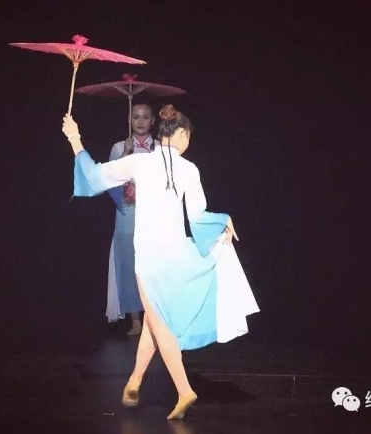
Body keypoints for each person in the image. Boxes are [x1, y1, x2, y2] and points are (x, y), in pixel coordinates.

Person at [63, 104, 259, 420]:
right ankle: (134, 382)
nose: (188, 141)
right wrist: (222, 220)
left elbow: (94, 175)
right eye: (188, 136)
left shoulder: (140, 163)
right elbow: (197, 216)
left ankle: (184, 389)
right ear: (180, 134)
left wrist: (74, 137)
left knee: (158, 321)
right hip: (177, 253)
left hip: (151, 256)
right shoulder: (189, 169)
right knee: (154, 323)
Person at [105, 103, 159, 336]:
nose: (140, 121)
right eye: (136, 117)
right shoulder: (120, 146)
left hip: (153, 213)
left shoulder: (160, 147)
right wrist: (126, 153)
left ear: (153, 120)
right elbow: (109, 178)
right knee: (129, 263)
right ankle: (135, 320)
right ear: (129, 119)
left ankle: (153, 319)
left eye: (145, 117)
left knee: (153, 266)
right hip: (128, 212)